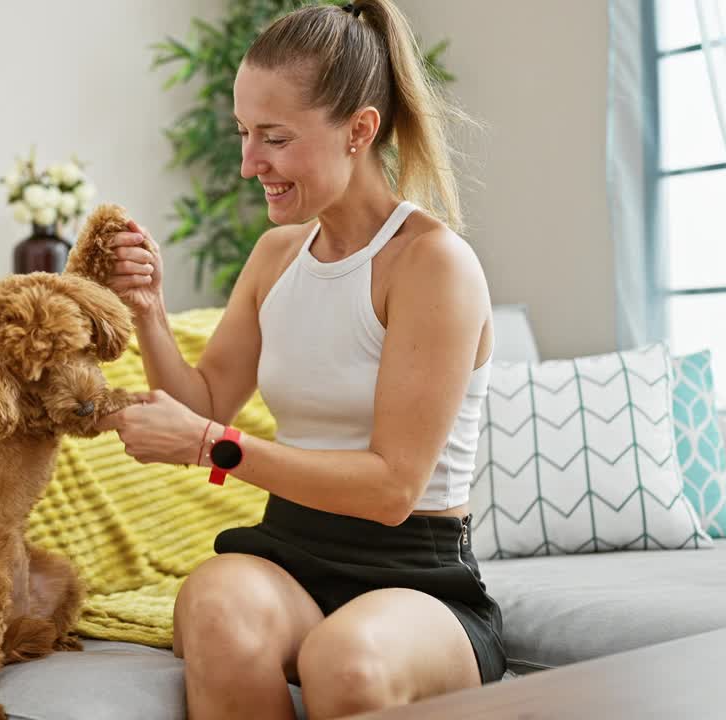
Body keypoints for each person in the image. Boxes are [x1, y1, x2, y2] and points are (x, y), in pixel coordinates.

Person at [94, 1, 504, 718]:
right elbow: (207, 399)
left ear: (359, 131)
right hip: (290, 550)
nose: (251, 163)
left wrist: (208, 448)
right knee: (214, 609)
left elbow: (392, 490)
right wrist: (149, 313)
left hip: (419, 577)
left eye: (275, 139)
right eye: (245, 134)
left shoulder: (433, 264)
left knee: (344, 661)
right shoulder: (277, 255)